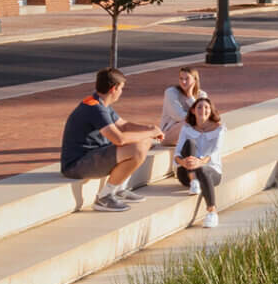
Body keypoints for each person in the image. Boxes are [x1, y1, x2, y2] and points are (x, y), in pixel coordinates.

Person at [60, 67, 164, 212]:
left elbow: (124, 125)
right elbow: (119, 140)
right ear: (114, 89)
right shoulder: (95, 108)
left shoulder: (101, 103)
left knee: (145, 140)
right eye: (121, 88)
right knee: (137, 149)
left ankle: (119, 189)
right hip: (76, 165)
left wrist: (148, 129)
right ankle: (104, 197)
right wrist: (149, 133)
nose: (121, 92)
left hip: (93, 156)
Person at [173, 96, 225, 227]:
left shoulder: (219, 129)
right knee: (190, 143)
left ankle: (212, 212)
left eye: (206, 107)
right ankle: (193, 180)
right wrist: (183, 162)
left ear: (211, 111)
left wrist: (200, 162)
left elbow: (215, 152)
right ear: (193, 111)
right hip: (186, 174)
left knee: (202, 170)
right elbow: (177, 153)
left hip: (211, 172)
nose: (203, 110)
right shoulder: (186, 128)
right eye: (199, 107)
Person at [159, 66, 209, 146]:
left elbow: (204, 115)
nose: (183, 82)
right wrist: (197, 116)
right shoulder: (171, 92)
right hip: (167, 135)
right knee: (190, 122)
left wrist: (190, 96)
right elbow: (178, 116)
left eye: (187, 79)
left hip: (190, 135)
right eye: (181, 78)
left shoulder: (202, 95)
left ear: (195, 80)